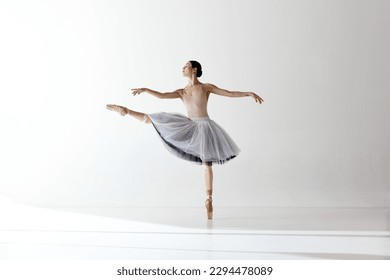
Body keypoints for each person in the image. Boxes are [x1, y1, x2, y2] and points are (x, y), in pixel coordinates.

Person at [106, 60, 264, 219]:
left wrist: (248, 93)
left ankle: (209, 198)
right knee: (157, 119)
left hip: (205, 127)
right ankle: (125, 111)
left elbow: (228, 93)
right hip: (189, 126)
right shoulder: (182, 91)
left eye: (185, 66)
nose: (182, 68)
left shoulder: (205, 87)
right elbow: (162, 96)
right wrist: (146, 90)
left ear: (194, 70)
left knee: (206, 162)